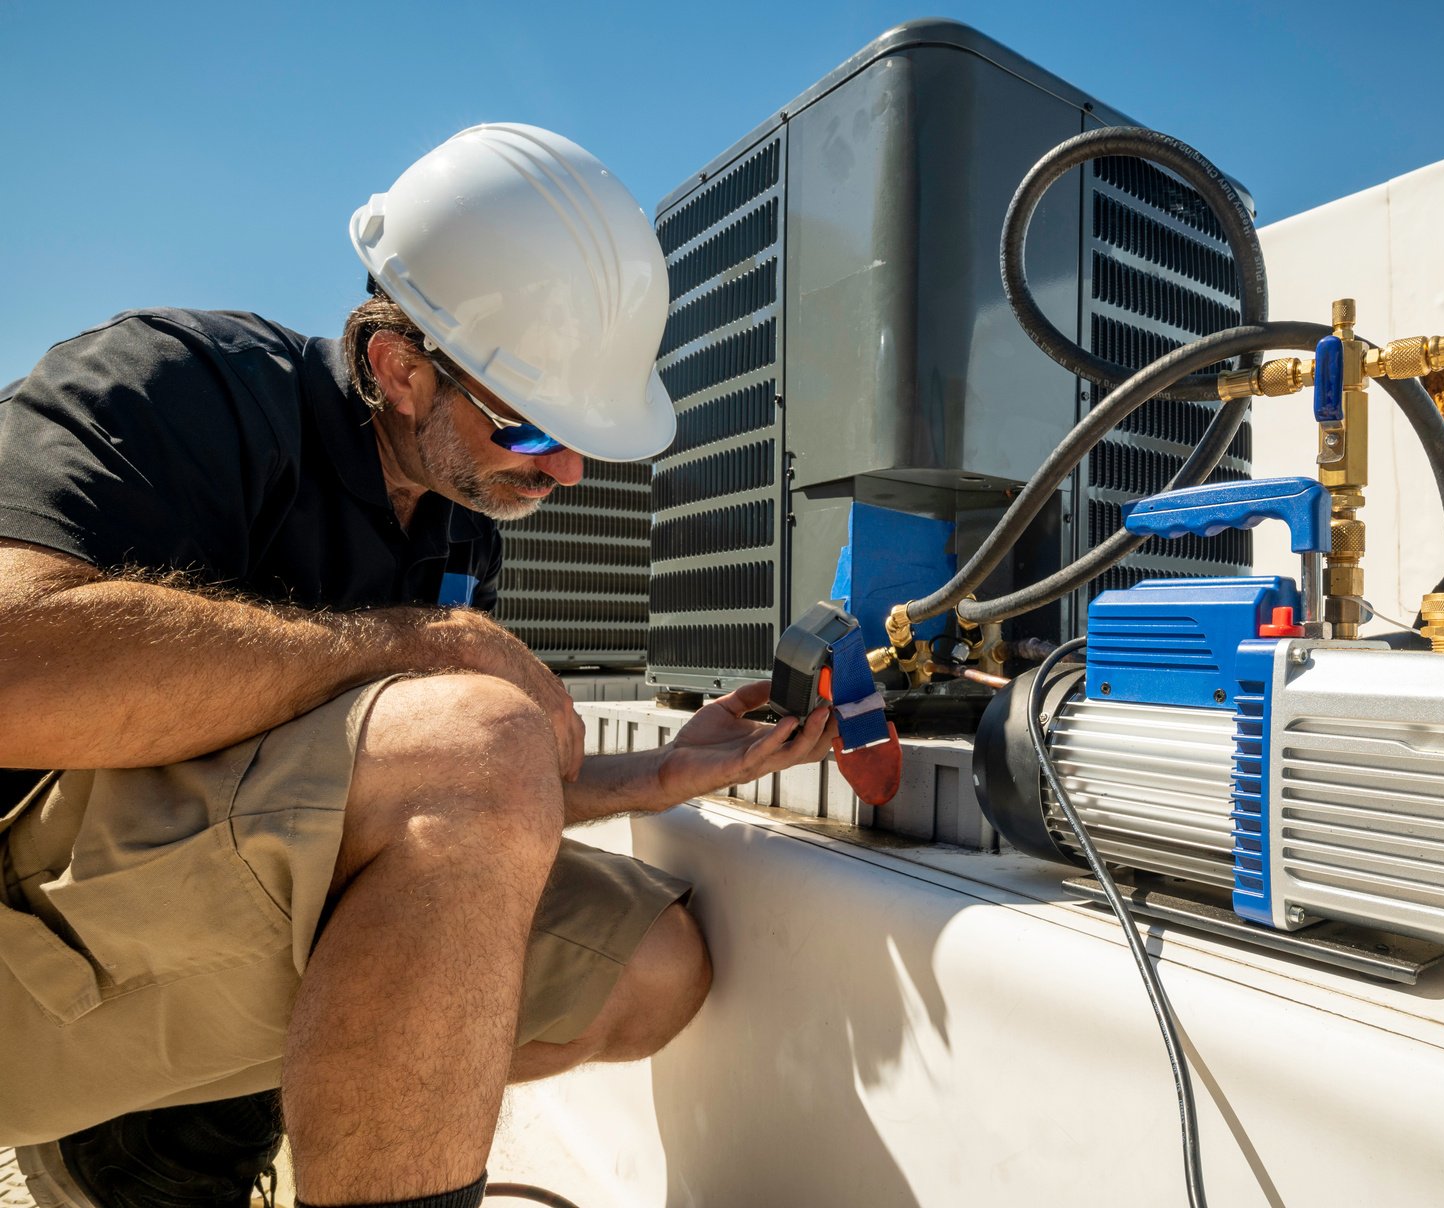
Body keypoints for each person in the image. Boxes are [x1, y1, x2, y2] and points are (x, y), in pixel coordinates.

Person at [0, 123, 833, 1208]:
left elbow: (445, 802)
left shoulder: (453, 528)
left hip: (208, 933)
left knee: (654, 964)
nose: (569, 470)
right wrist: (420, 643)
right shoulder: (188, 391)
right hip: (33, 948)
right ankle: (123, 1143)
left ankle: (273, 1118)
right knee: (476, 729)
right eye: (534, 431)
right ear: (399, 369)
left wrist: (665, 774)